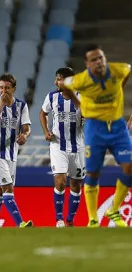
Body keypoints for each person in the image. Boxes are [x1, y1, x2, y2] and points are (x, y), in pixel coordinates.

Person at [61, 44, 131, 227]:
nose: (98, 62)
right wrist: (79, 104)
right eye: (94, 60)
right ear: (87, 63)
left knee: (129, 167)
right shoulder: (81, 80)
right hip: (94, 127)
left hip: (117, 126)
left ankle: (113, 209)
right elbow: (64, 85)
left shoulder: (118, 70)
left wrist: (119, 91)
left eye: (101, 57)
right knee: (92, 172)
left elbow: (128, 70)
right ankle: (93, 218)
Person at [0, 73, 33, 228]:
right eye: (1, 88)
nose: (3, 91)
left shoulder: (21, 106)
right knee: (8, 188)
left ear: (13, 89)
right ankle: (21, 223)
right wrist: (0, 106)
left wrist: (25, 136)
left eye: (7, 88)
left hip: (12, 154)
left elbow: (26, 128)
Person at [40, 67, 84, 227]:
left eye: (58, 79)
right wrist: (46, 131)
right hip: (58, 145)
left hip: (78, 147)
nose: (55, 82)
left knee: (76, 185)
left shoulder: (81, 97)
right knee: (60, 181)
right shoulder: (52, 97)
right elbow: (42, 113)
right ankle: (59, 219)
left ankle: (70, 220)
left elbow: (89, 117)